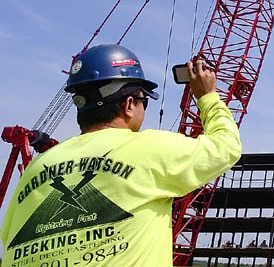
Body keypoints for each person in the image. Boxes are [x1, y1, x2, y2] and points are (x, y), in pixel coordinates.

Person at [1, 44, 242, 267]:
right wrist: (208, 97)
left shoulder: (38, 166)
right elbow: (226, 147)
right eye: (144, 101)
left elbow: (9, 236)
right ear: (129, 104)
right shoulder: (151, 148)